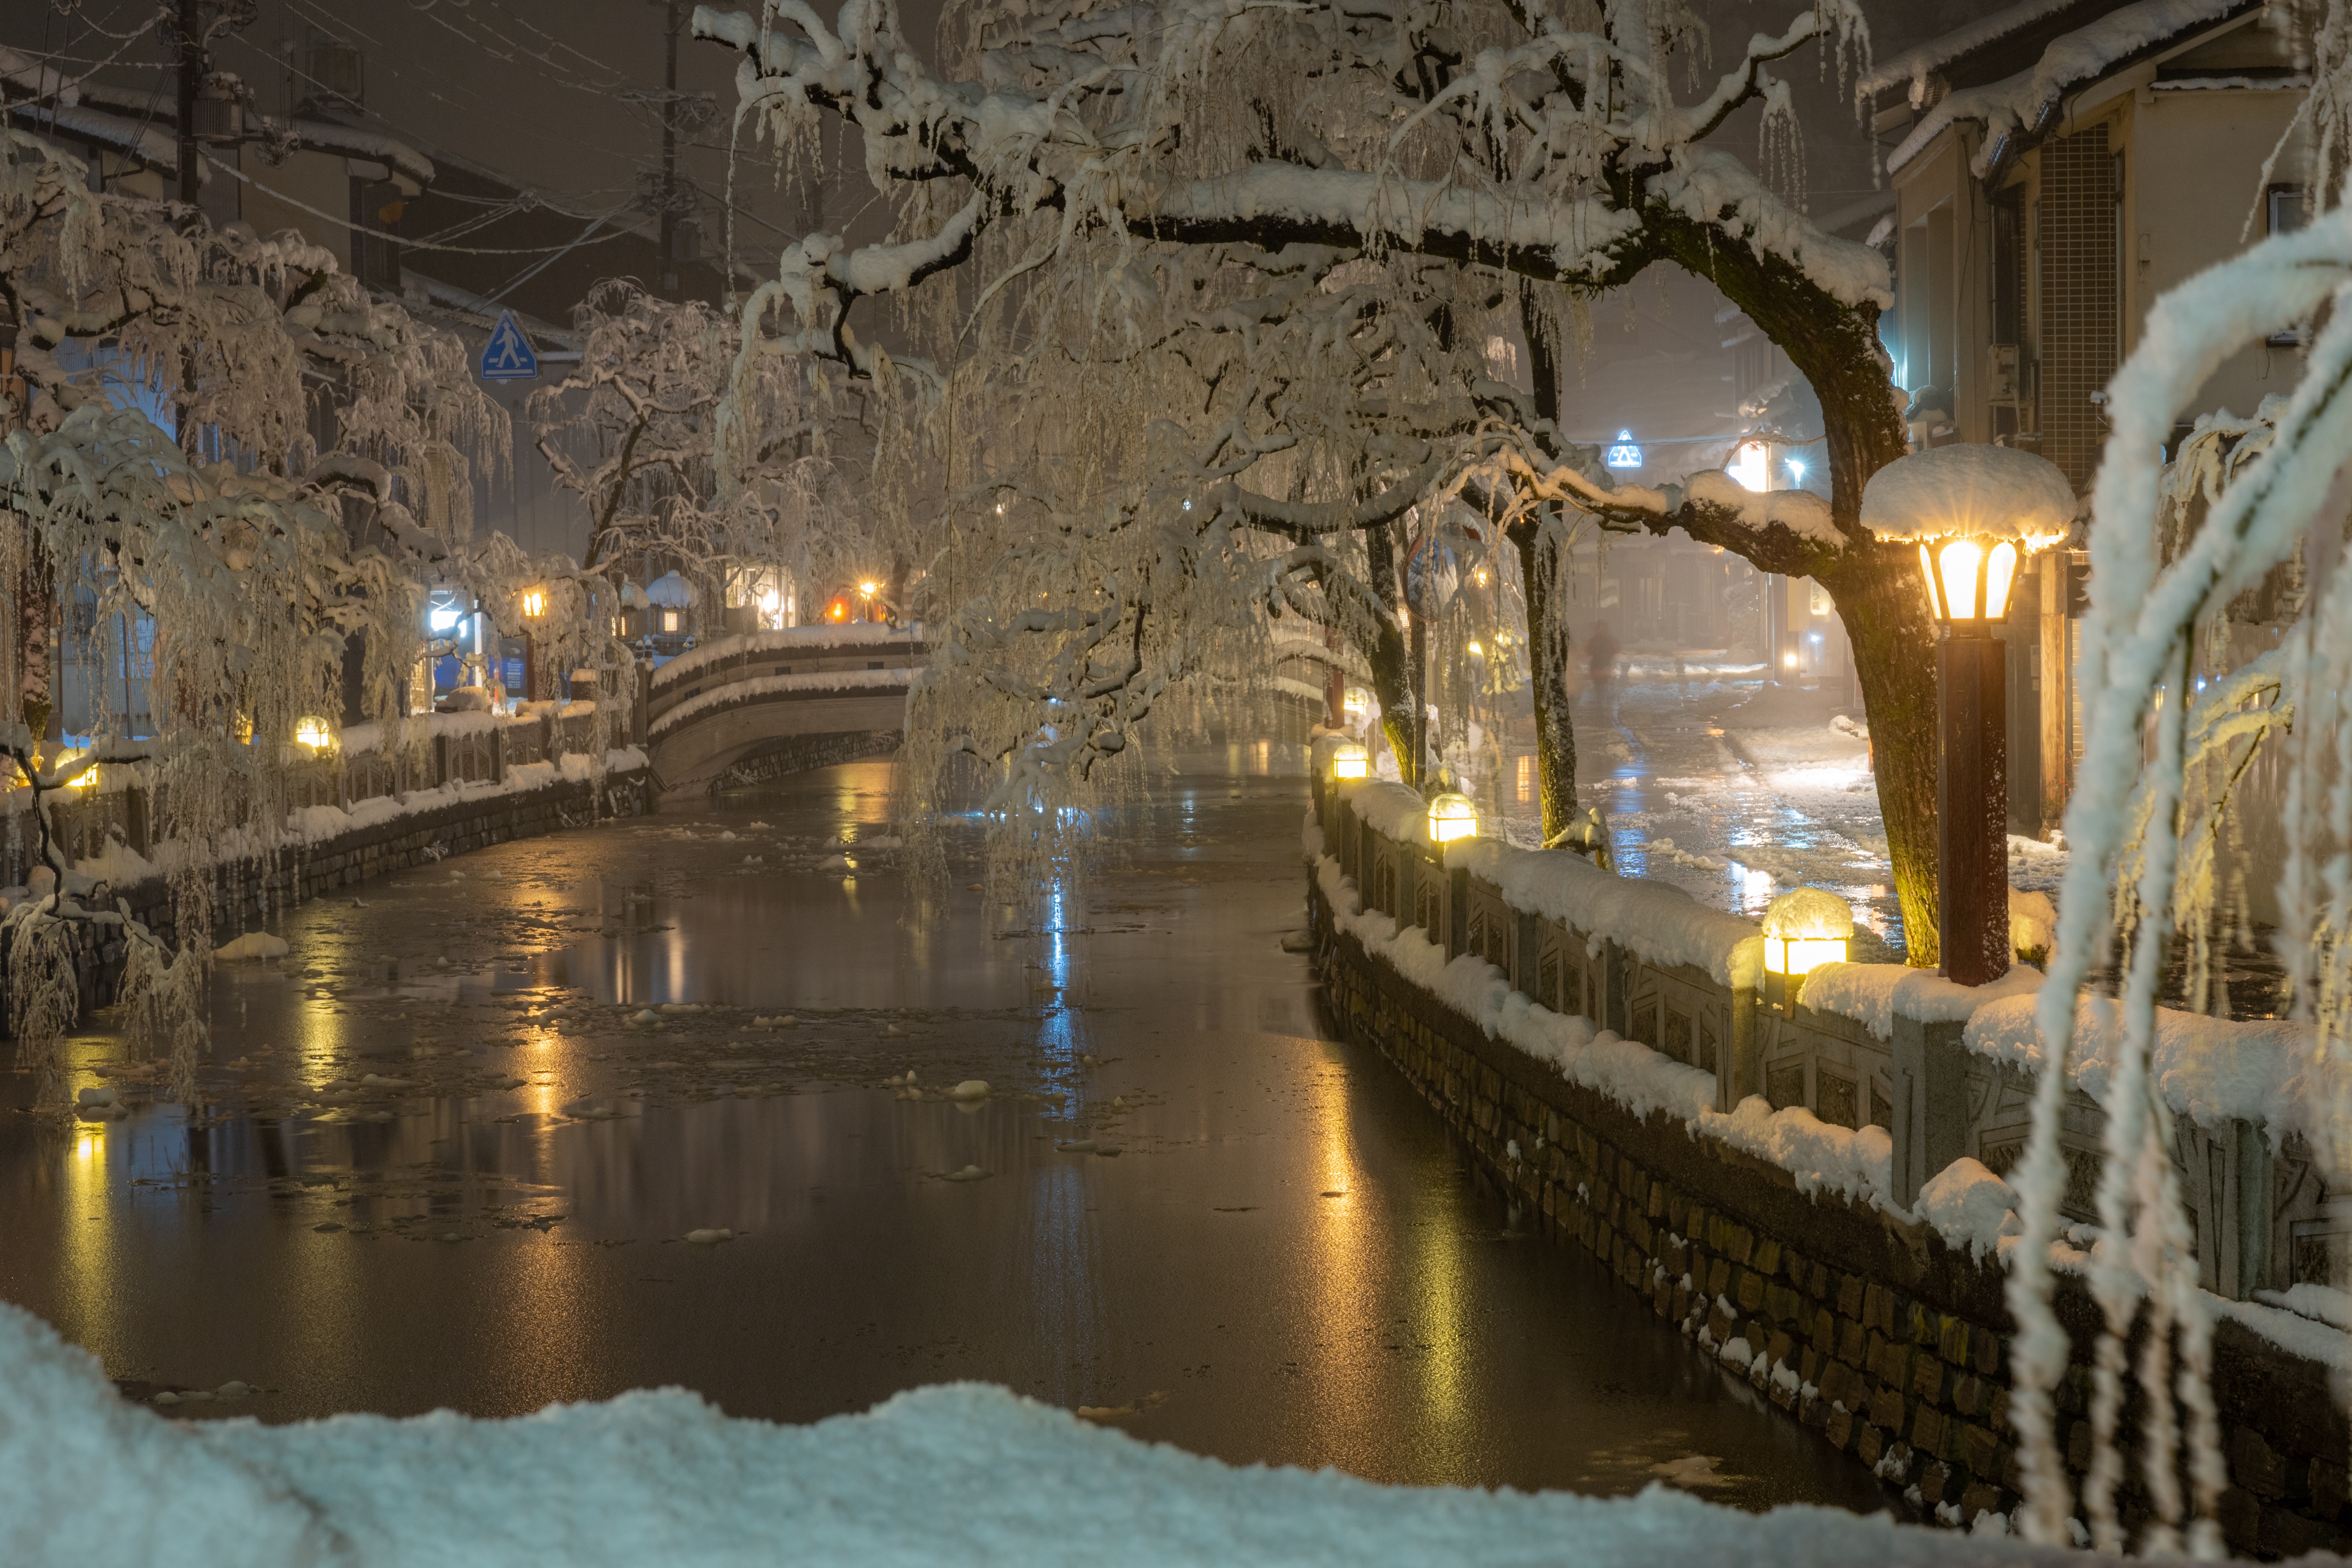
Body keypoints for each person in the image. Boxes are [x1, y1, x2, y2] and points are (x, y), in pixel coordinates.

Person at [1587, 621, 1619, 718]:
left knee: (1599, 690)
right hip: (1605, 668)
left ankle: (1601, 710)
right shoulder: (1609, 640)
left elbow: (1588, 651)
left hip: (1597, 669)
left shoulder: (1595, 640)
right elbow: (1615, 650)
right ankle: (1604, 709)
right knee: (1603, 689)